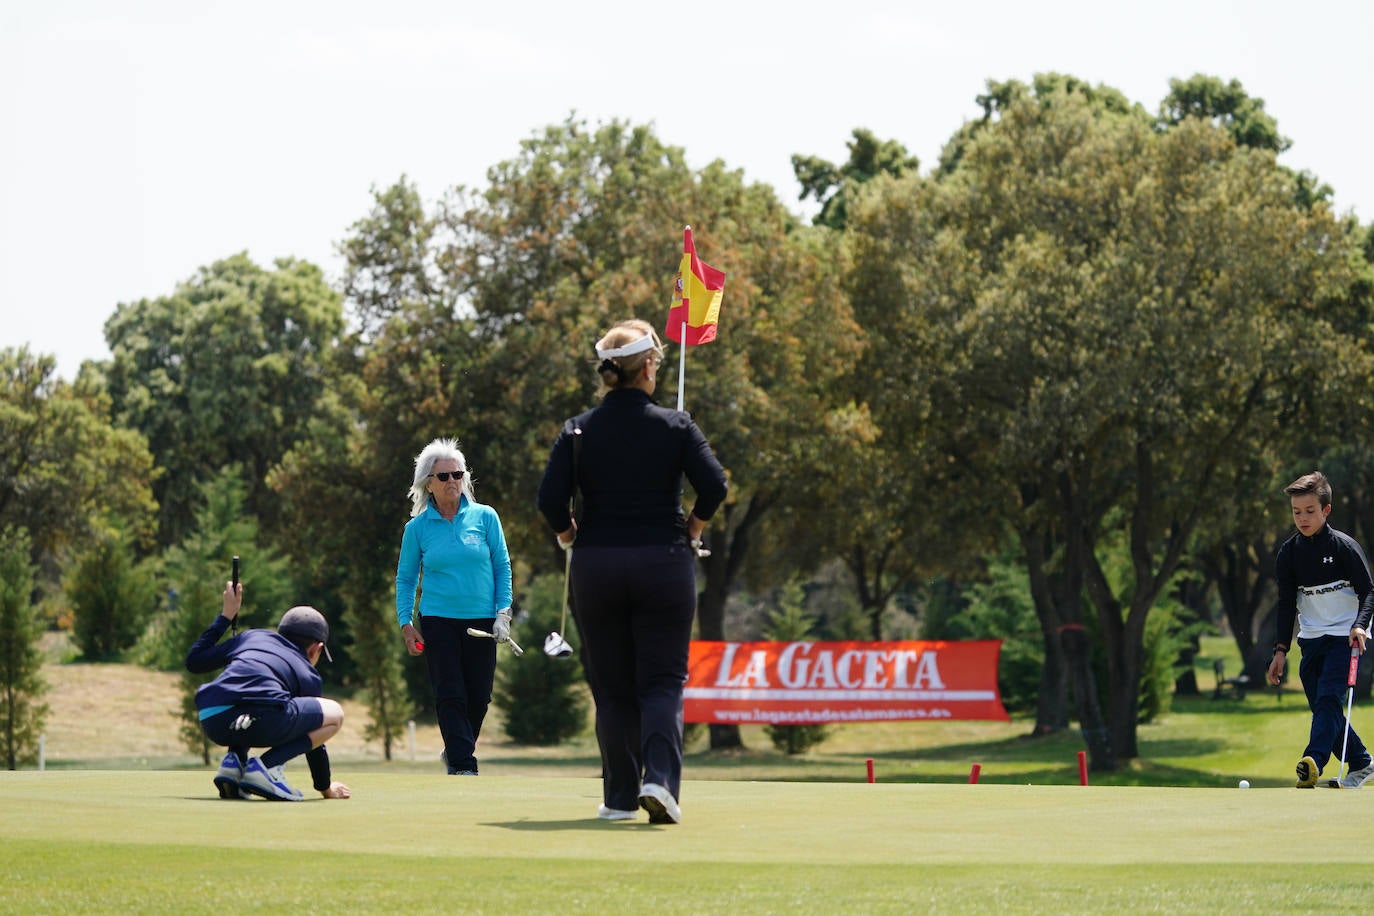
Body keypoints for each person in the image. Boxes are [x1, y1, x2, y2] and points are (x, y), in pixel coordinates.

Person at [536, 319, 728, 824]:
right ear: (646, 367)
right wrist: (693, 528)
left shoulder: (577, 429)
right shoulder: (676, 425)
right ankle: (660, 783)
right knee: (661, 681)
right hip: (663, 563)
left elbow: (550, 499)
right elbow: (714, 485)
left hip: (597, 567)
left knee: (613, 685)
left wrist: (568, 535)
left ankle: (620, 798)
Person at [396, 437, 514, 776]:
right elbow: (405, 579)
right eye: (444, 477)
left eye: (457, 475)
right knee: (450, 693)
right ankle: (464, 765)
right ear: (428, 484)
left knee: (479, 696)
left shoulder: (486, 517)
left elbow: (502, 567)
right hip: (438, 620)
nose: (452, 482)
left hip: (483, 619)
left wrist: (503, 612)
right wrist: (406, 623)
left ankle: (456, 750)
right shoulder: (416, 529)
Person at [185, 581, 350, 801]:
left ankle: (234, 765)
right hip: (262, 719)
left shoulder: (250, 637)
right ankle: (267, 767)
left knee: (253, 703)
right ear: (316, 649)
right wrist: (326, 788)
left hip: (212, 717)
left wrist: (226, 616)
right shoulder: (308, 675)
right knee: (335, 714)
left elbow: (195, 661)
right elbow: (315, 746)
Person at [1266, 471, 1374, 788]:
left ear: (1326, 510)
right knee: (1324, 707)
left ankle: (1312, 761)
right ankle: (1361, 761)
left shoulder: (1344, 547)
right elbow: (1286, 605)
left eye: (1309, 511)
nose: (1302, 518)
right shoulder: (1288, 554)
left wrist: (1360, 626)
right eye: (1297, 512)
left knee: (1328, 698)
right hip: (1312, 639)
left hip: (1347, 637)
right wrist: (1280, 651)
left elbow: (1369, 592)